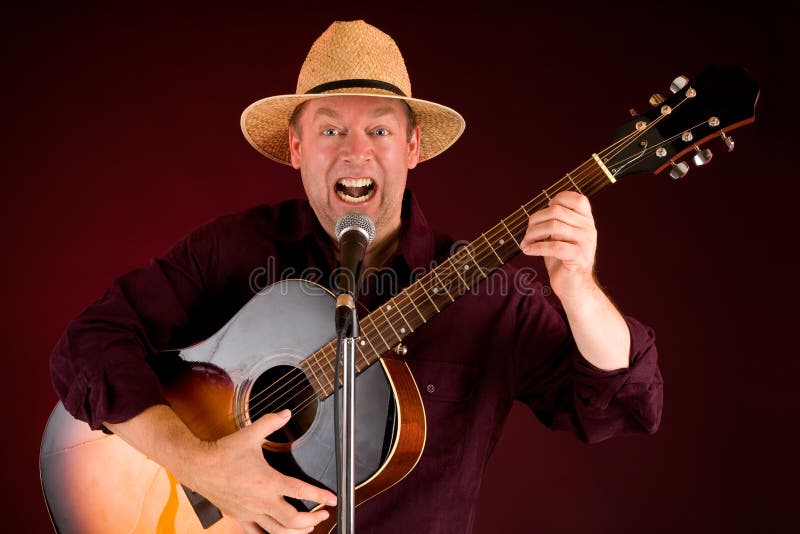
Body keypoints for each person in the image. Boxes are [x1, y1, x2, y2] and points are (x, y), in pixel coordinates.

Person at [49, 20, 662, 534]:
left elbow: (616, 404)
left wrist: (580, 289)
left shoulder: (486, 296)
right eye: (330, 129)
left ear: (413, 147)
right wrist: (201, 464)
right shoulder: (236, 249)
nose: (355, 151)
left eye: (380, 130)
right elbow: (89, 345)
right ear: (296, 148)